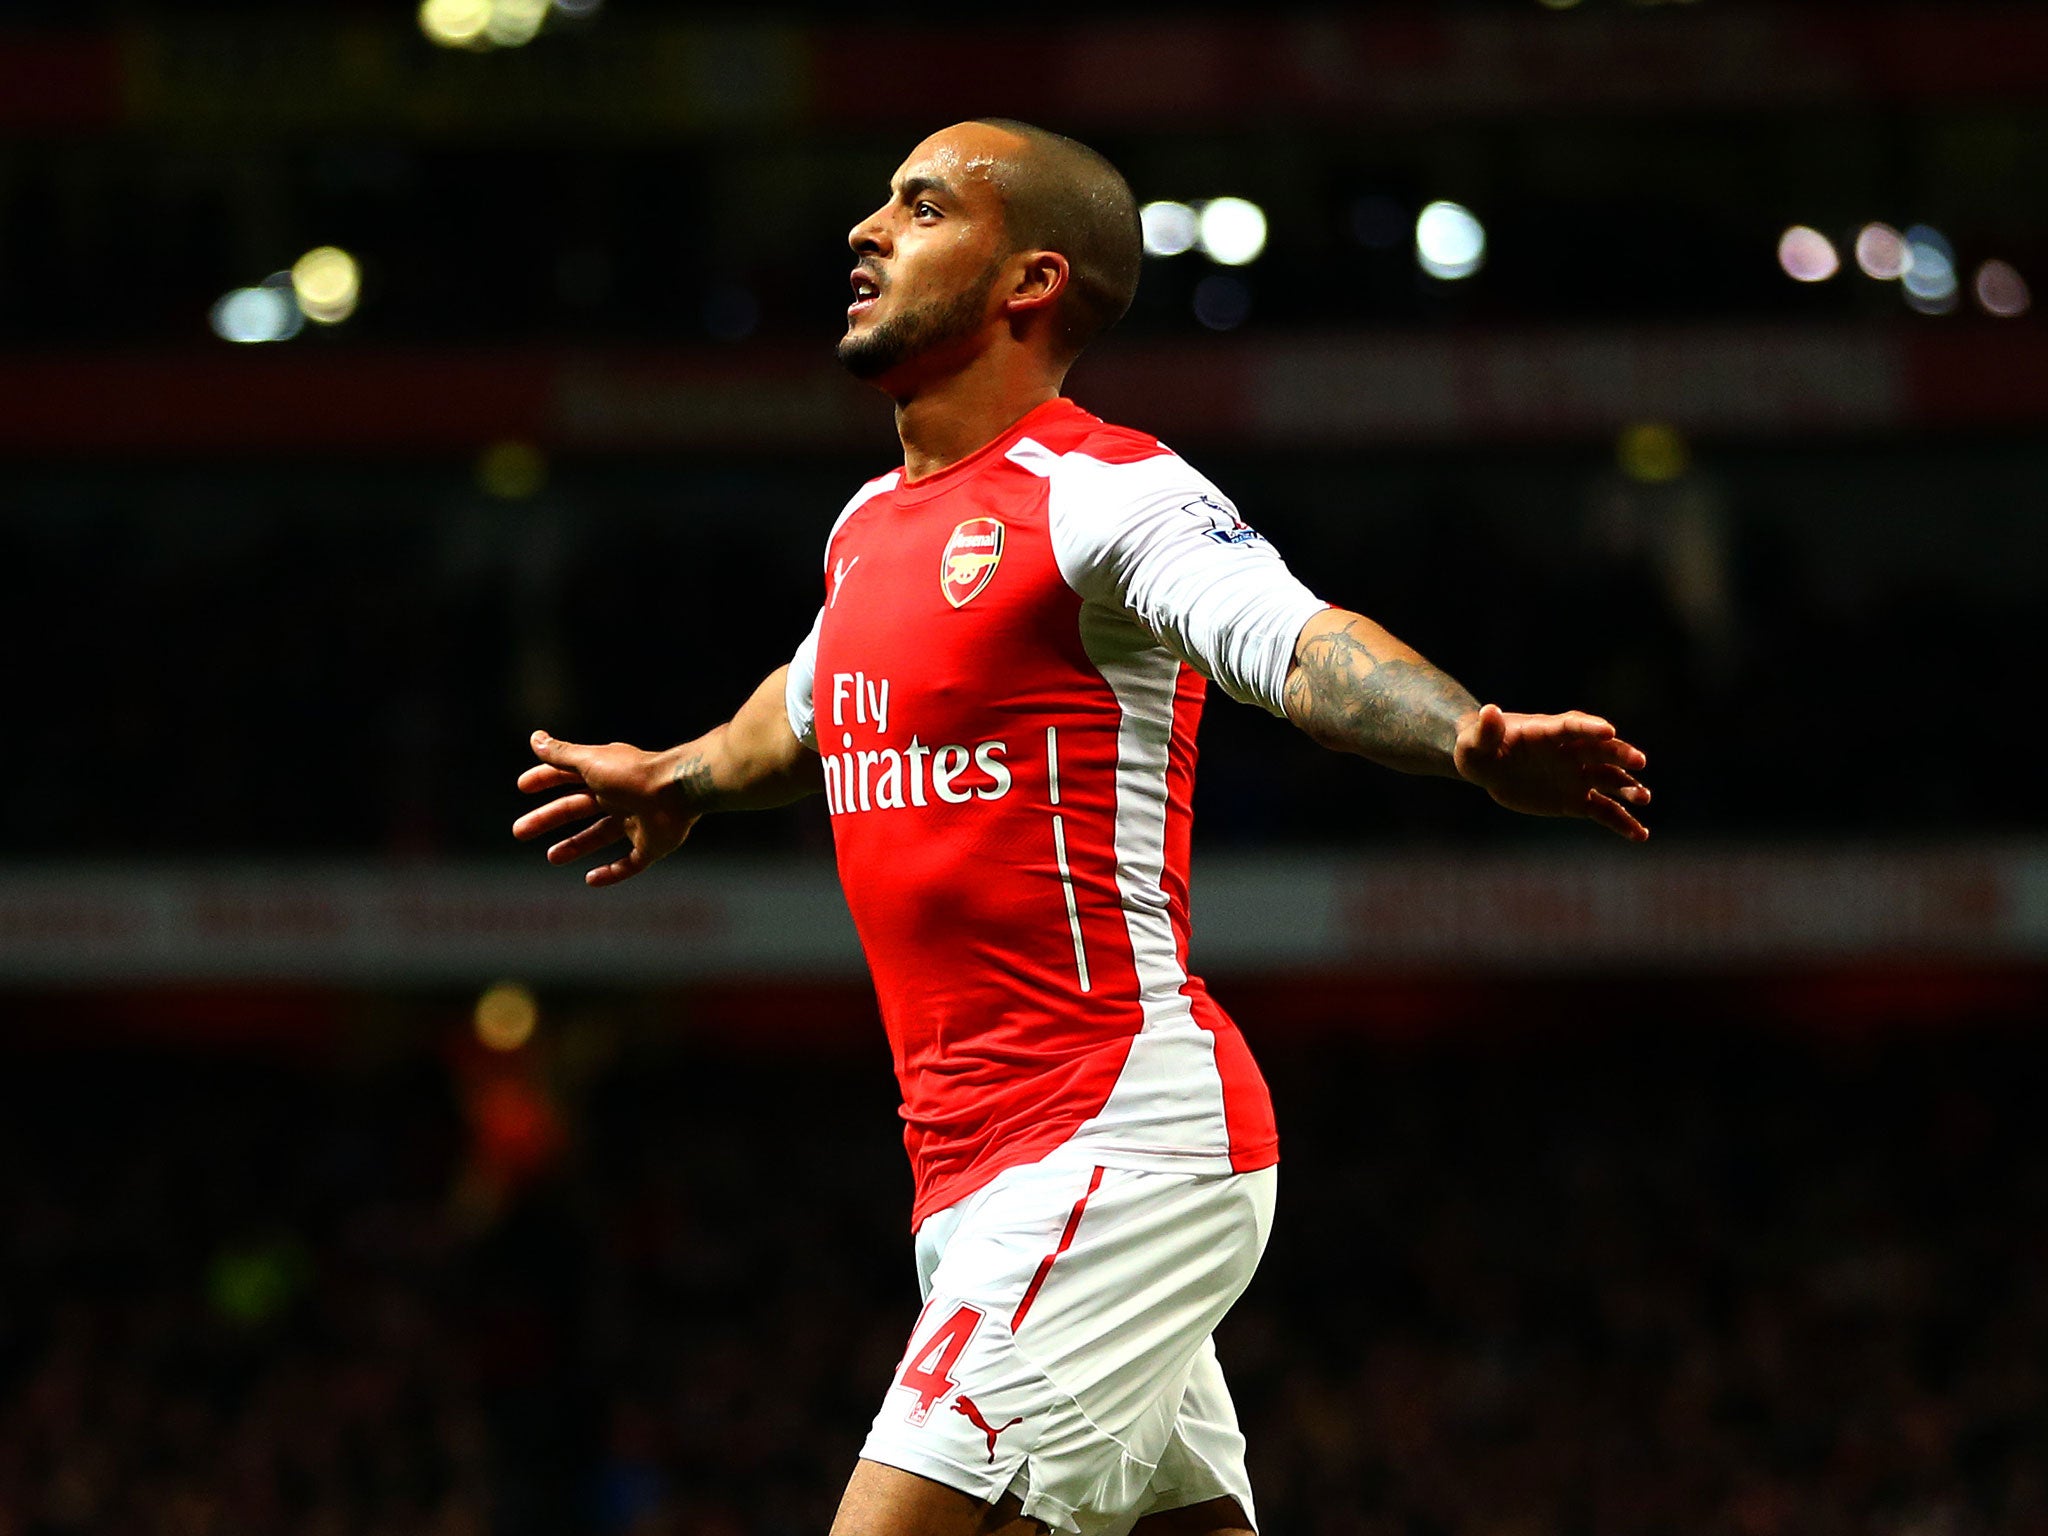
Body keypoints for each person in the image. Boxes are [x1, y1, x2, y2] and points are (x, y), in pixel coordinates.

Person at [513, 119, 1650, 1536]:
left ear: (1029, 282)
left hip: (1117, 1139)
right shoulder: (871, 526)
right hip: (973, 1180)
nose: (866, 230)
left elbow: (1291, 641)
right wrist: (681, 776)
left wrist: (1465, 736)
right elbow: (810, 700)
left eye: (919, 209)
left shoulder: (1111, 492)